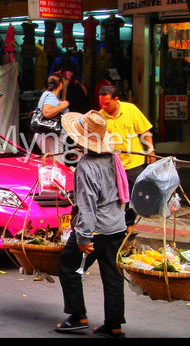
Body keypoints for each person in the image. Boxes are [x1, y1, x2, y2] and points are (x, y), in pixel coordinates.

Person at [55, 110, 129, 338]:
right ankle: (114, 324)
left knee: (68, 267)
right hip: (117, 225)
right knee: (112, 275)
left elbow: (87, 206)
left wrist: (84, 238)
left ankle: (78, 316)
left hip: (97, 228)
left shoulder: (87, 166)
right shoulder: (112, 158)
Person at [98, 85, 156, 226]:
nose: (104, 107)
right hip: (112, 164)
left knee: (134, 195)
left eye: (107, 103)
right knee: (114, 195)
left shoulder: (130, 109)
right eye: (101, 104)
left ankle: (130, 223)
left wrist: (150, 149)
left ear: (116, 99)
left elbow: (145, 130)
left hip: (133, 162)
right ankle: (115, 223)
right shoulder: (100, 116)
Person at [34, 73, 70, 164]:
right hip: (52, 135)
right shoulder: (51, 96)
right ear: (61, 85)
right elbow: (47, 112)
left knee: (50, 161)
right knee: (57, 163)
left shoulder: (46, 94)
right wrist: (62, 106)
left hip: (46, 135)